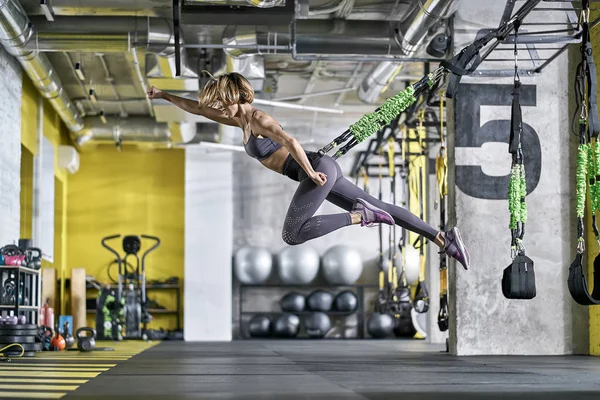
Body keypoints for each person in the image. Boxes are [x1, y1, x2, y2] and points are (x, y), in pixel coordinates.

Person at [146, 72, 470, 270]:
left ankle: (361, 217)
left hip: (314, 168)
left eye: (219, 101)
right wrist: (163, 95)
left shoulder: (257, 119)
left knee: (292, 234)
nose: (215, 107)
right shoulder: (238, 119)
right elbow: (196, 108)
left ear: (233, 96)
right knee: (384, 207)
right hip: (314, 169)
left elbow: (290, 139)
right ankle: (443, 239)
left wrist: (312, 175)